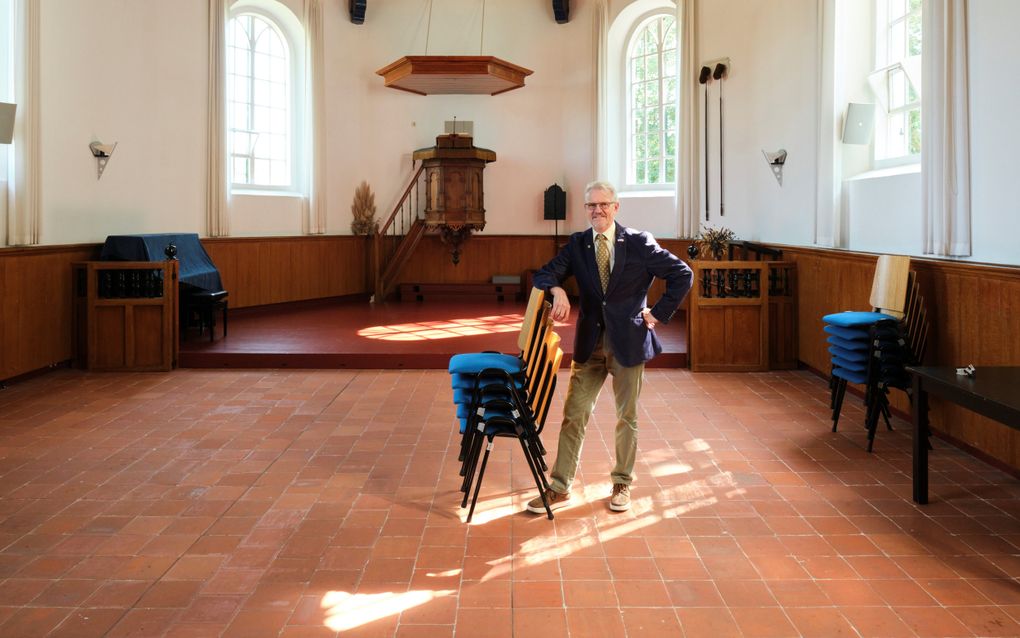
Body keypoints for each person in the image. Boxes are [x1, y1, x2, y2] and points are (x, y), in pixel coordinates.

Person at [527, 180, 692, 513]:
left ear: (616, 207)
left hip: (628, 342)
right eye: (591, 205)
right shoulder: (577, 245)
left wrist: (657, 314)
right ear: (585, 209)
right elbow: (544, 274)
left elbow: (682, 274)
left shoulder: (638, 243)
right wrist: (557, 290)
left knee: (626, 418)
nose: (597, 210)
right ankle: (560, 486)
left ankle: (622, 483)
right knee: (574, 415)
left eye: (603, 204)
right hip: (590, 344)